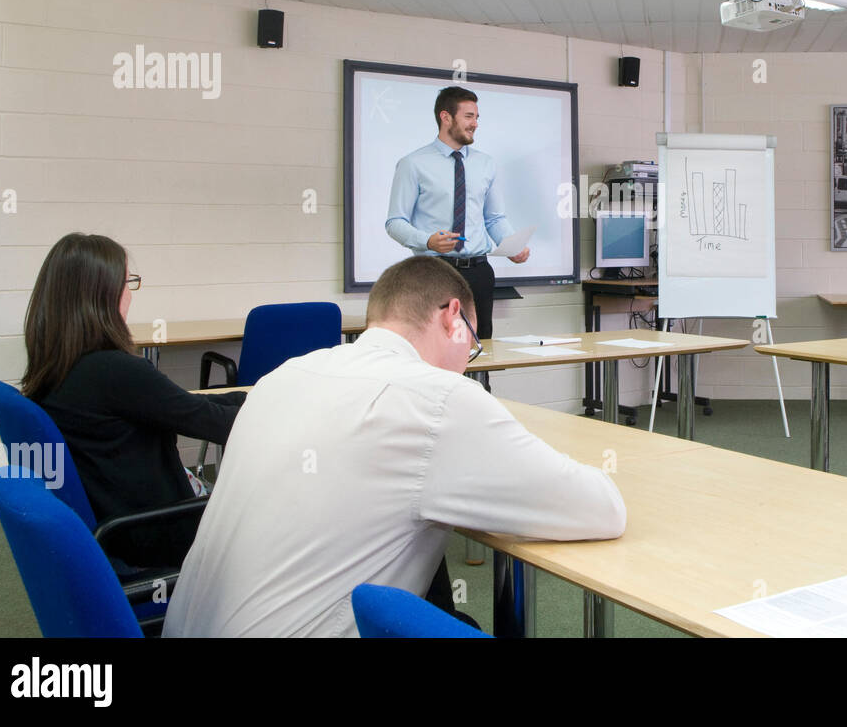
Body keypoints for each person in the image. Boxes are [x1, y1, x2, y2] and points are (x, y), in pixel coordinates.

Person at [162, 256, 626, 638]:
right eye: (473, 345)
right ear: (452, 317)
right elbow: (601, 508)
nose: (467, 363)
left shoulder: (281, 377)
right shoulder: (437, 398)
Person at [22, 233, 245, 569]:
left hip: (117, 524)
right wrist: (275, 403)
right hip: (159, 533)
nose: (130, 294)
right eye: (128, 282)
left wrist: (253, 395)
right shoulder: (115, 371)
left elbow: (181, 405)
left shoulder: (58, 366)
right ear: (104, 294)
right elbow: (215, 424)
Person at [385, 86, 528, 341]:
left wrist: (511, 245)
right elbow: (395, 222)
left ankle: (481, 384)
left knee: (480, 347)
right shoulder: (413, 164)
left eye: (476, 117)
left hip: (479, 272)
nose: (475, 124)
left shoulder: (485, 164)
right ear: (446, 117)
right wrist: (427, 241)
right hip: (435, 272)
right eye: (468, 116)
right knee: (438, 345)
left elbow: (494, 218)